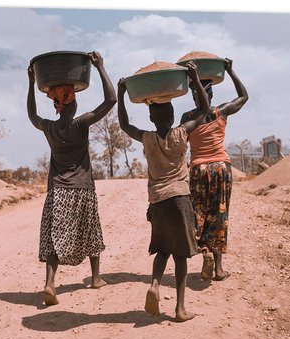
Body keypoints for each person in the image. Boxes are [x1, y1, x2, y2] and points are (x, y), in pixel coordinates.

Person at [117, 61, 209, 322]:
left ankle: (155, 284)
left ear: (151, 117)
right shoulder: (182, 132)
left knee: (162, 249)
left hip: (157, 202)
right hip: (180, 199)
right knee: (180, 255)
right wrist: (194, 78)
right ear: (171, 116)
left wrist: (121, 95)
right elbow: (203, 109)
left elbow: (124, 125)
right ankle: (179, 309)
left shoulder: (146, 137)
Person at [27, 51, 117, 305]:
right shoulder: (80, 124)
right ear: (71, 104)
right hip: (82, 189)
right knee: (91, 232)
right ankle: (96, 277)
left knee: (56, 237)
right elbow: (111, 101)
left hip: (58, 191)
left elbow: (31, 115)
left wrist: (31, 83)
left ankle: (49, 284)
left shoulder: (49, 127)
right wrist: (100, 67)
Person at [179, 58, 249, 281]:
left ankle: (205, 252)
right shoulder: (222, 111)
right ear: (211, 94)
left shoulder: (187, 118)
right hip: (221, 168)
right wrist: (230, 70)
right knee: (219, 215)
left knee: (199, 214)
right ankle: (218, 269)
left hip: (199, 169)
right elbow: (244, 96)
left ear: (193, 94)